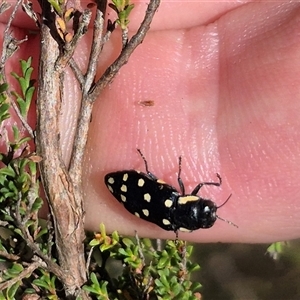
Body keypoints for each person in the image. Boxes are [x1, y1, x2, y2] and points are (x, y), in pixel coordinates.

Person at [1, 1, 300, 243]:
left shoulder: (176, 199)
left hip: (134, 189)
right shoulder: (172, 214)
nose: (208, 203)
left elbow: (174, 183)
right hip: (133, 191)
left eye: (205, 206)